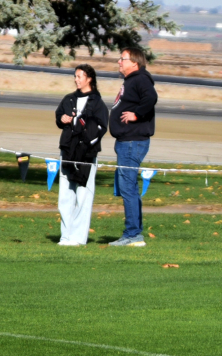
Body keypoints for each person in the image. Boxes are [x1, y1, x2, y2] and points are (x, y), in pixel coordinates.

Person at [54, 64, 109, 246]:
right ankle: (65, 236)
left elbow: (101, 128)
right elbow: (59, 116)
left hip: (86, 154)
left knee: (83, 195)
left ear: (89, 78)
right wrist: (63, 119)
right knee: (65, 196)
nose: (76, 79)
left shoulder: (98, 103)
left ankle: (78, 238)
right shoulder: (68, 99)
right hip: (67, 151)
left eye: (79, 76)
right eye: (75, 76)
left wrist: (83, 126)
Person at [108, 46, 158, 247]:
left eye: (123, 59)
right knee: (129, 188)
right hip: (126, 141)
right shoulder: (132, 81)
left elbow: (151, 98)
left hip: (132, 141)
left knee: (128, 188)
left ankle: (132, 235)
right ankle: (134, 233)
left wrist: (136, 114)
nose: (119, 61)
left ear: (134, 63)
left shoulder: (140, 79)